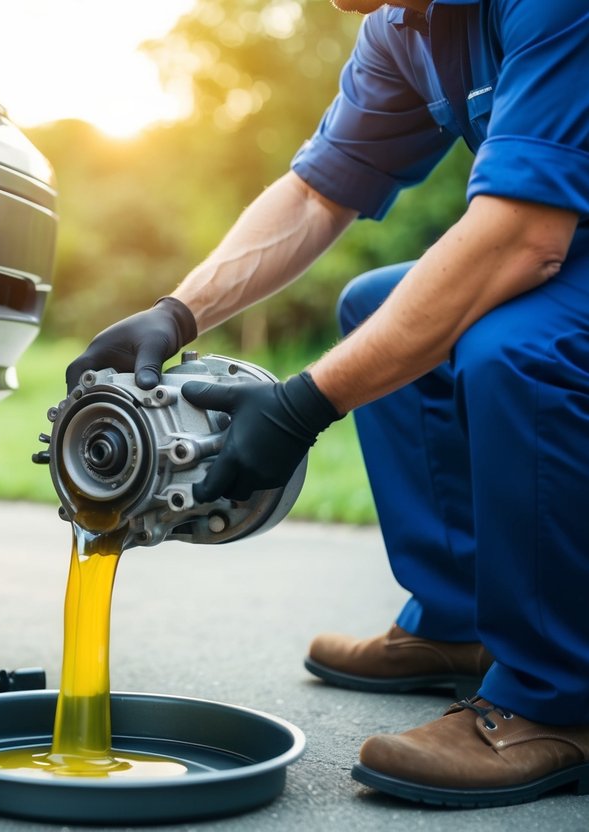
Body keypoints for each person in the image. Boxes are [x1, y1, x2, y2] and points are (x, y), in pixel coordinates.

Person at [67, 0, 589, 808]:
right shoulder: (401, 27)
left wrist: (298, 407)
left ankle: (558, 696)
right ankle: (458, 626)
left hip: (557, 242)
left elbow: (522, 237)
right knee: (374, 304)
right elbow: (317, 194)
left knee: (511, 349)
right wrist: (176, 313)